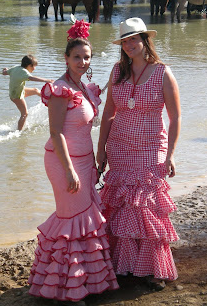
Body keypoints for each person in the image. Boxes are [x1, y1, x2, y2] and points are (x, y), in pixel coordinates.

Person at [28, 20, 119, 304]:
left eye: (87, 57)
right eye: (76, 56)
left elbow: (86, 128)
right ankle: (68, 287)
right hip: (62, 162)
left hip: (83, 162)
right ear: (66, 58)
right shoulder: (59, 89)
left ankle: (80, 282)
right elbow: (55, 133)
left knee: (84, 220)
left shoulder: (86, 89)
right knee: (72, 221)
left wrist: (93, 163)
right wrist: (69, 171)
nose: (82, 61)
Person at [96, 17, 181, 290]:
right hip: (119, 147)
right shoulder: (117, 71)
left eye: (134, 39)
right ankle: (123, 265)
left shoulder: (162, 72)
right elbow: (108, 113)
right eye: (125, 41)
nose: (129, 45)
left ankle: (148, 268)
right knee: (120, 207)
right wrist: (101, 150)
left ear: (145, 40)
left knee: (146, 207)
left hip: (151, 146)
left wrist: (169, 155)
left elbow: (176, 117)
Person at [2, 55, 53, 131]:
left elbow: (5, 73)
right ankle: (18, 132)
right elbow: (32, 78)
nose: (34, 69)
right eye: (34, 66)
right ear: (29, 65)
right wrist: (46, 80)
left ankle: (51, 101)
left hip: (17, 91)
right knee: (25, 114)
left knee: (35, 90)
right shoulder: (23, 72)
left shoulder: (15, 68)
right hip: (17, 96)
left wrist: (5, 70)